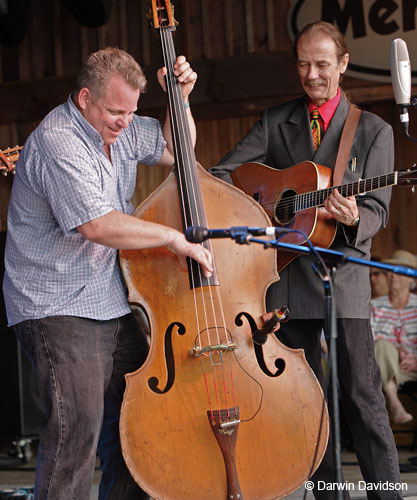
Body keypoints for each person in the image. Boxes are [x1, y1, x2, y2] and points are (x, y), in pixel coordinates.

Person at [3, 47, 212, 500]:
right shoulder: (59, 140)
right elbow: (97, 225)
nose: (124, 121)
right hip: (56, 305)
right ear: (84, 98)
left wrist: (181, 99)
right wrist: (172, 238)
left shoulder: (118, 127)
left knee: (138, 428)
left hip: (109, 300)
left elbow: (180, 148)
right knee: (75, 436)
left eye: (131, 111)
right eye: (115, 111)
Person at [210, 21, 402, 499]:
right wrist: (266, 206)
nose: (311, 74)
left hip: (345, 282)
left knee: (361, 399)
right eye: (302, 64)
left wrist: (355, 217)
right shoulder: (277, 122)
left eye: (321, 64)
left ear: (342, 64)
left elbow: (377, 212)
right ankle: (327, 495)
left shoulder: (373, 131)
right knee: (307, 403)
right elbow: (223, 173)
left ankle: (387, 494)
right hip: (286, 280)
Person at [371, 250, 417, 424]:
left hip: (412, 370)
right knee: (382, 344)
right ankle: (395, 403)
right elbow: (370, 341)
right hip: (384, 367)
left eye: (400, 271)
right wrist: (396, 351)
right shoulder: (374, 306)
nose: (392, 275)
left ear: (412, 278)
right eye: (390, 270)